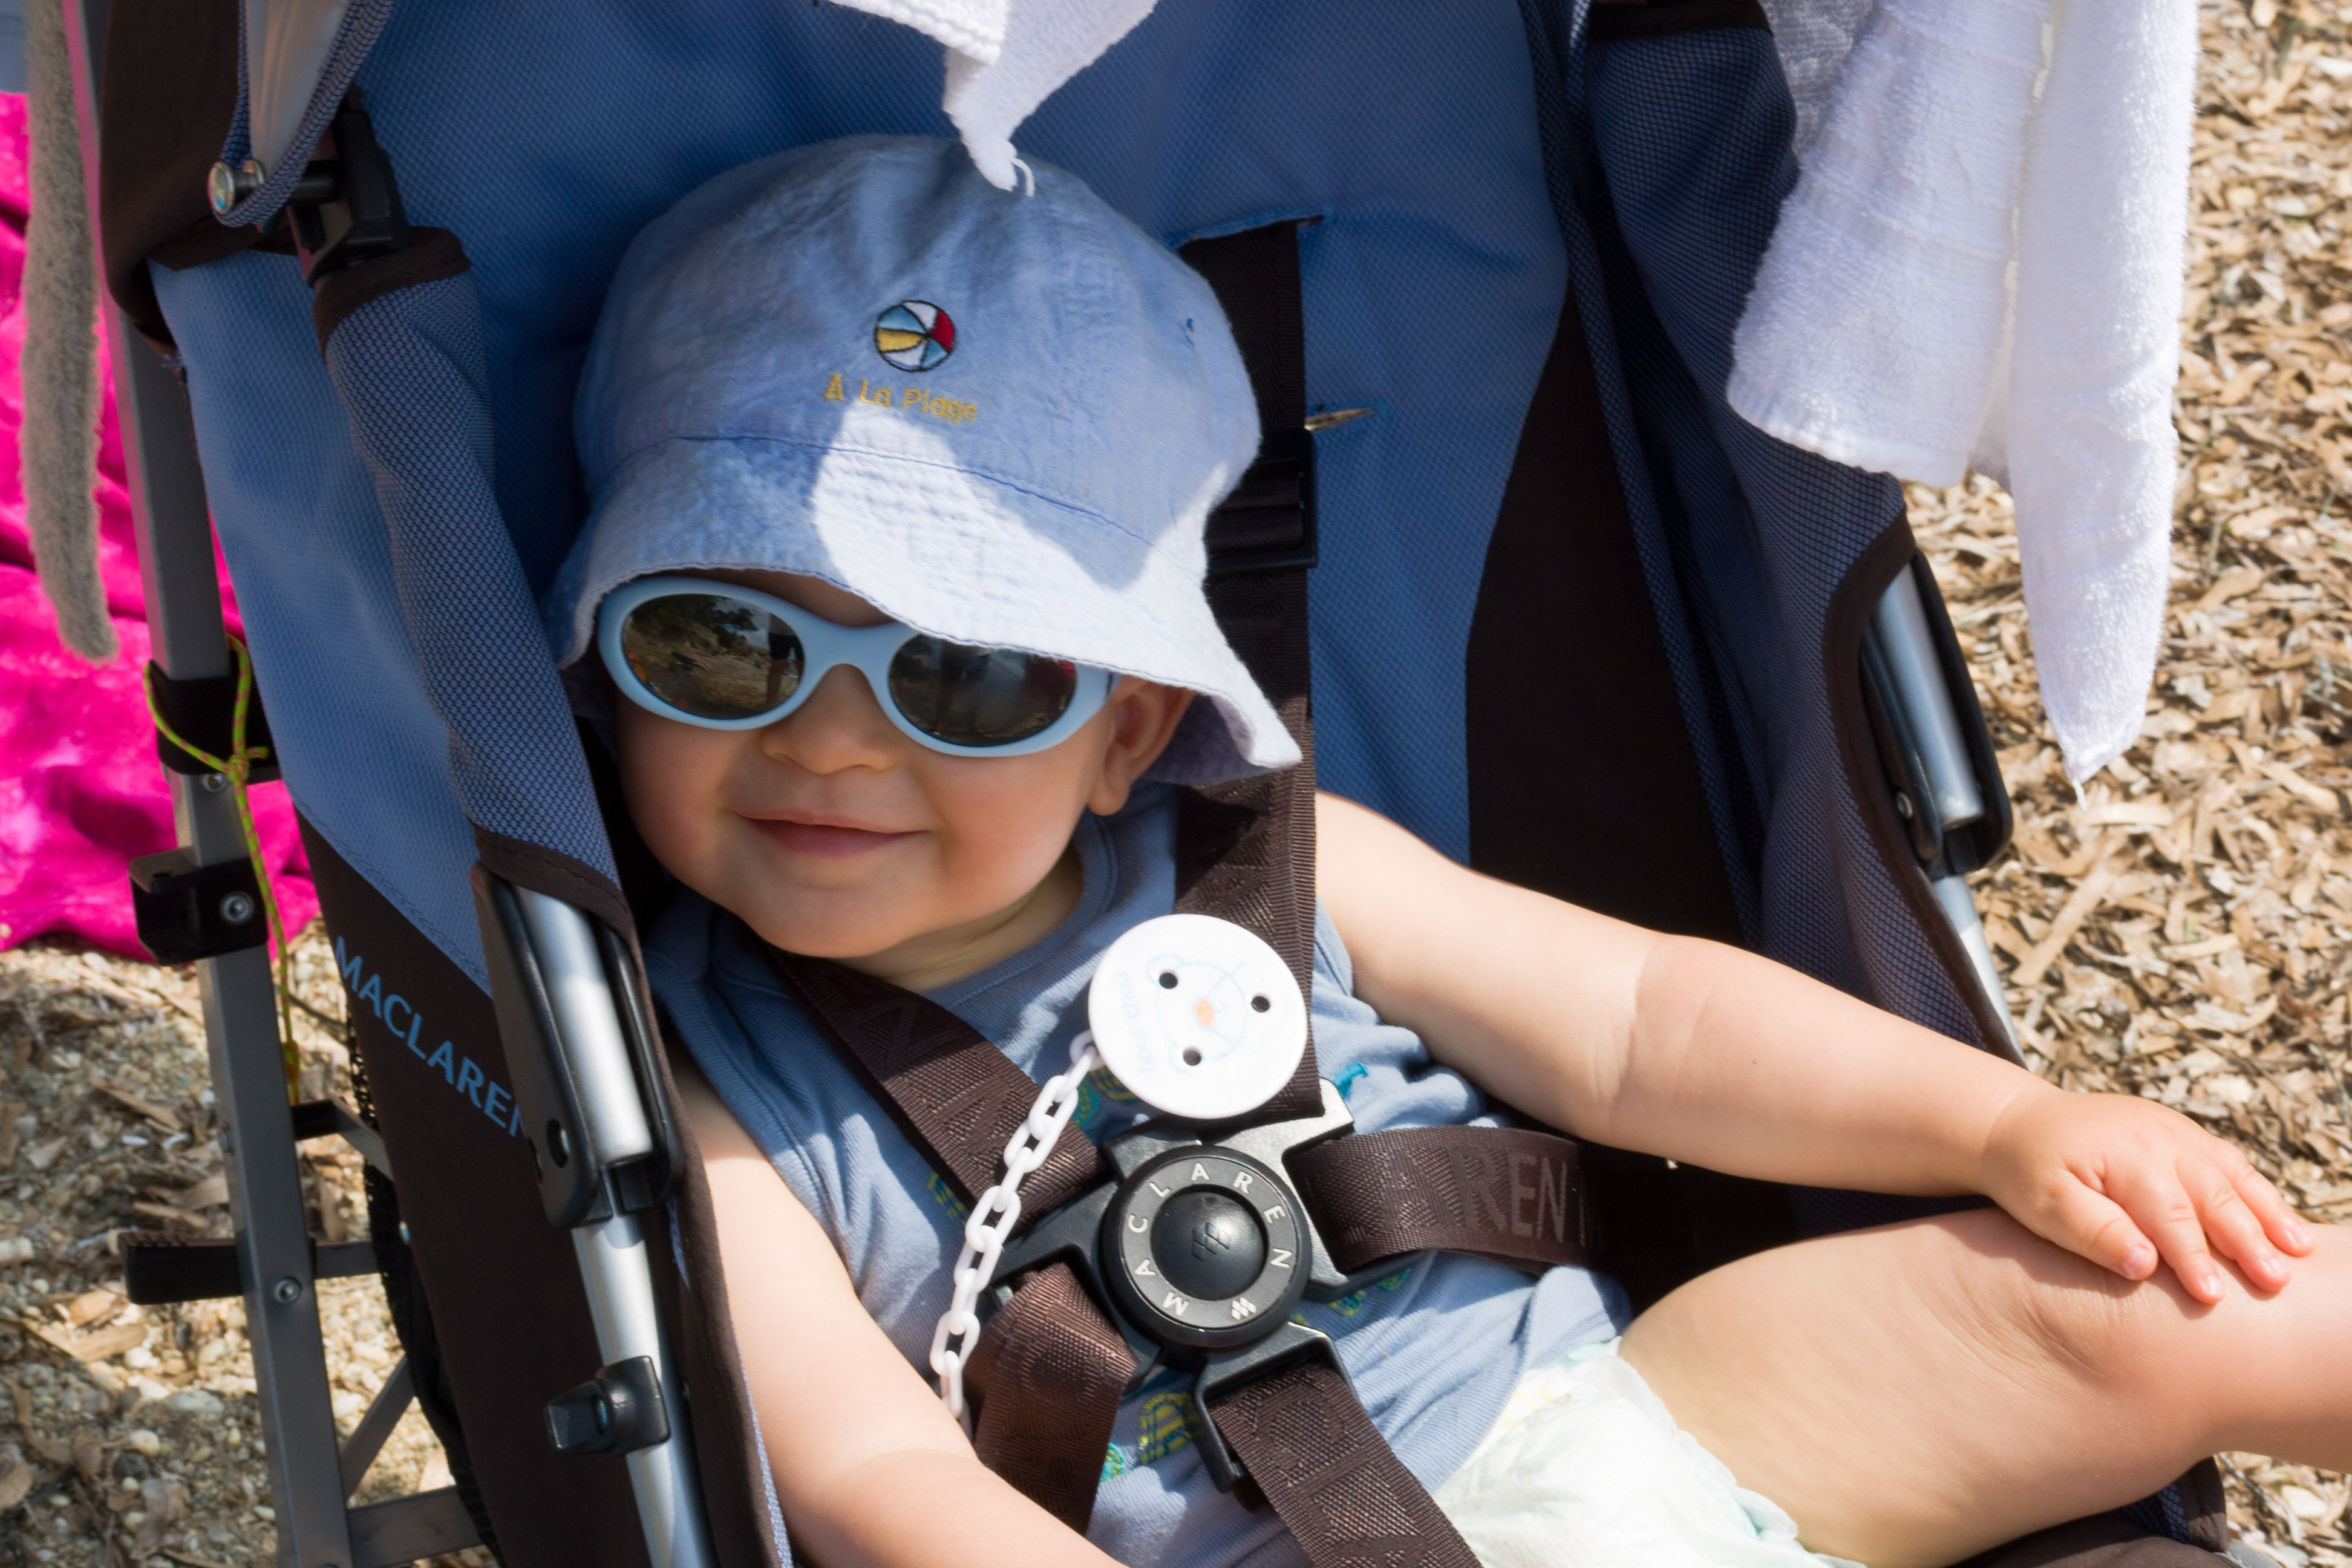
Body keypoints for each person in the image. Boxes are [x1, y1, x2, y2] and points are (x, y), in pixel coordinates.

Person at [543, 135, 2347, 1568]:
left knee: (2155, 1311)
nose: (834, 741)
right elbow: (867, 1466)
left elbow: (1642, 1026)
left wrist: (2003, 1128)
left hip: (1624, 1418)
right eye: (718, 643)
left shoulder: (1276, 862)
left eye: (967, 672)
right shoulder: (707, 1088)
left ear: (1131, 730)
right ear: (599, 665)